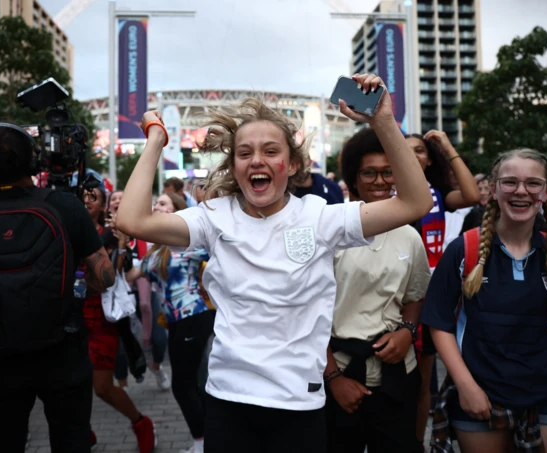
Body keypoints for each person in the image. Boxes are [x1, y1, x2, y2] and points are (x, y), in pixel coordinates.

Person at [117, 73, 434, 452]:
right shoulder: (214, 217)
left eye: (271, 151)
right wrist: (155, 140)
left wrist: (383, 121)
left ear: (293, 163)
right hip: (228, 400)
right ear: (233, 165)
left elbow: (415, 203)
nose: (257, 161)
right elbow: (132, 221)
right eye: (244, 153)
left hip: (299, 405)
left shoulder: (321, 217)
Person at [0, 123, 115, 452]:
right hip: (61, 351)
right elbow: (105, 276)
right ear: (33, 160)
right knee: (71, 440)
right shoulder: (65, 206)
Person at [422, 148, 547, 453]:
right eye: (510, 182)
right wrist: (466, 387)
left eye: (533, 183)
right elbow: (439, 323)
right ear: (492, 190)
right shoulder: (462, 249)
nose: (521, 191)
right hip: (481, 390)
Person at [325, 128, 431, 452]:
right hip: (340, 373)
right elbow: (304, 314)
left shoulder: (409, 236)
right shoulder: (330, 228)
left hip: (397, 374)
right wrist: (333, 379)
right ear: (353, 178)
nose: (380, 181)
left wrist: (407, 331)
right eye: (369, 173)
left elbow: (415, 294)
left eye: (388, 172)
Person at [404, 130, 480, 447]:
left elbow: (472, 195)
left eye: (420, 150)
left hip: (426, 294)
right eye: (405, 149)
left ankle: (416, 444)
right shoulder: (380, 192)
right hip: (389, 296)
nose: (412, 155)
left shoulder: (437, 194)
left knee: (423, 380)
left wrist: (447, 146)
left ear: (429, 159)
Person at [82, 187, 157, 452]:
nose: (86, 201)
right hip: (71, 315)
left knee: (101, 387)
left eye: (93, 197)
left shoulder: (110, 234)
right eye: (82, 196)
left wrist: (121, 244)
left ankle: (140, 422)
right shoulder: (65, 230)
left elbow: (110, 275)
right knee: (72, 382)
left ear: (103, 204)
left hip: (102, 314)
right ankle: (81, 432)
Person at [144, 191, 214, 453]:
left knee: (184, 385)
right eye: (156, 203)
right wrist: (119, 244)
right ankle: (208, 439)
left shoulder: (187, 243)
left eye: (163, 203)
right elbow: (132, 274)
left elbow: (219, 255)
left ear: (177, 210)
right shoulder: (156, 247)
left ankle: (202, 443)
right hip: (174, 322)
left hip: (193, 317)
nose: (157, 206)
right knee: (192, 384)